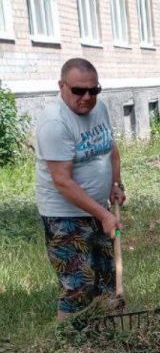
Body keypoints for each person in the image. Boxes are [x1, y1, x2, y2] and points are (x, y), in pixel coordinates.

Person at [36, 58, 125, 320]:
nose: (87, 97)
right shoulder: (54, 123)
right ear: (61, 86)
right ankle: (66, 348)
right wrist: (105, 215)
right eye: (78, 91)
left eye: (93, 90)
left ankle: (101, 341)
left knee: (106, 279)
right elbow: (62, 181)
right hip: (64, 215)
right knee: (78, 285)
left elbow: (111, 148)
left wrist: (115, 184)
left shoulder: (100, 109)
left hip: (98, 209)